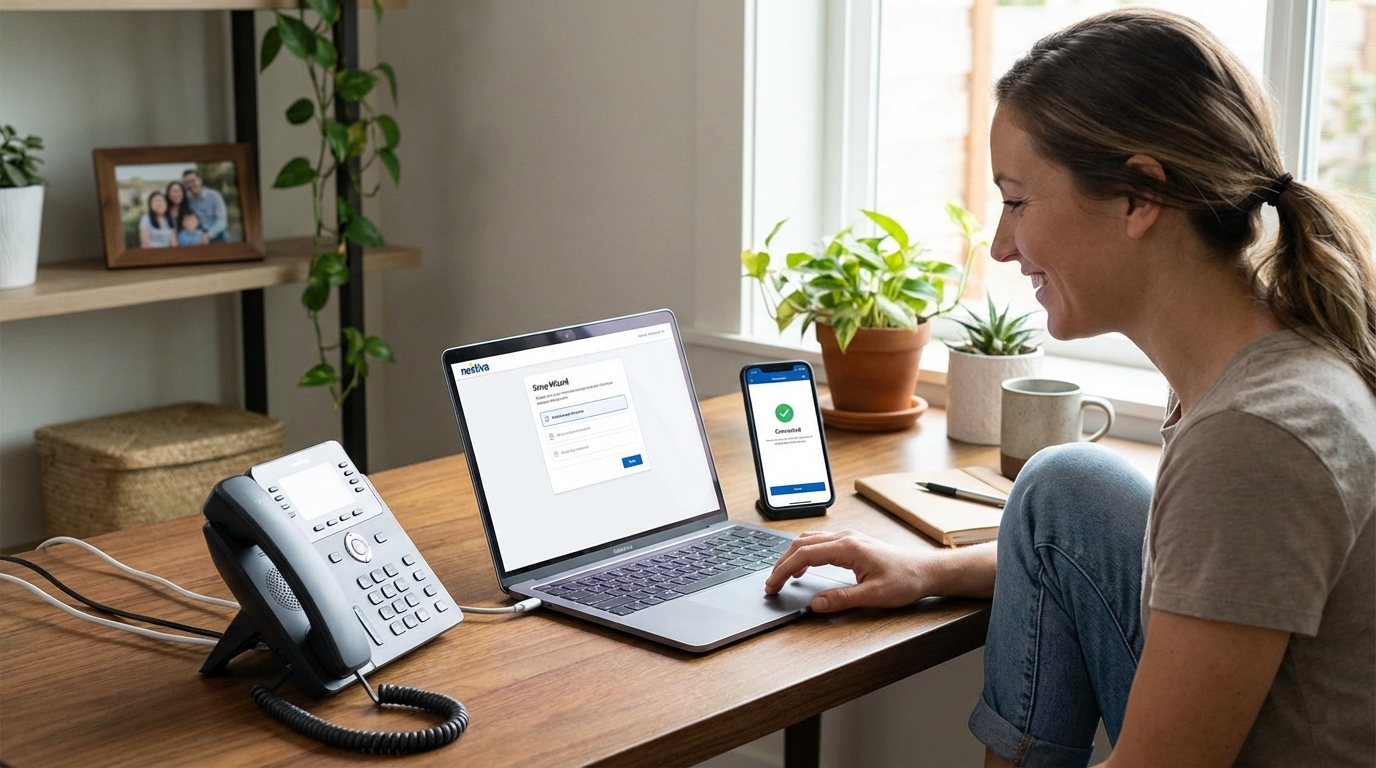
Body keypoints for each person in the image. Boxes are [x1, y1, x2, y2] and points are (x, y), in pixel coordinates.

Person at [765, 8, 1375, 767]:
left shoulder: (1254, 440)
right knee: (1065, 486)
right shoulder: (1261, 362)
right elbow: (1195, 573)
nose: (1001, 243)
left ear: (1137, 195)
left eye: (1017, 200)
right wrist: (927, 571)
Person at [182, 169, 229, 244]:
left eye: (192, 181)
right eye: (187, 183)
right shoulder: (189, 201)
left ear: (200, 180)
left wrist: (209, 235)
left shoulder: (215, 196)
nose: (190, 185)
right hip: (198, 233)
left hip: (216, 231)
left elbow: (222, 221)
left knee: (224, 235)